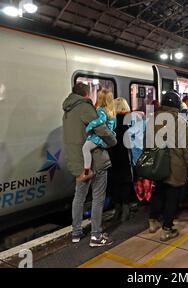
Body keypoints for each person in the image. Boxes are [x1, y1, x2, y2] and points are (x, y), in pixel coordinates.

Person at [62, 83, 117, 246]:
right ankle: (96, 236)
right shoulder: (85, 108)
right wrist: (113, 141)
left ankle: (76, 232)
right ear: (86, 94)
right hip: (96, 161)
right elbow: (101, 130)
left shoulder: (67, 111)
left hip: (79, 162)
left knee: (79, 197)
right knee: (98, 198)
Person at [147, 91, 188, 242]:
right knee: (172, 197)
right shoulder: (181, 121)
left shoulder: (153, 119)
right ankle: (167, 229)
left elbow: (147, 142)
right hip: (176, 166)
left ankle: (153, 221)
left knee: (158, 191)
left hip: (157, 164)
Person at [80, 90, 116, 182]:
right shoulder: (111, 111)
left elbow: (101, 120)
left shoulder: (101, 109)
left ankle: (87, 171)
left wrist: (90, 125)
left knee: (85, 148)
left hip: (99, 138)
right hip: (106, 137)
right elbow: (113, 126)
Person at [108, 97, 134, 222]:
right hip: (125, 157)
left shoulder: (110, 122)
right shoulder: (128, 122)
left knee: (116, 183)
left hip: (112, 157)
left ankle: (117, 210)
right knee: (126, 183)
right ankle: (125, 211)